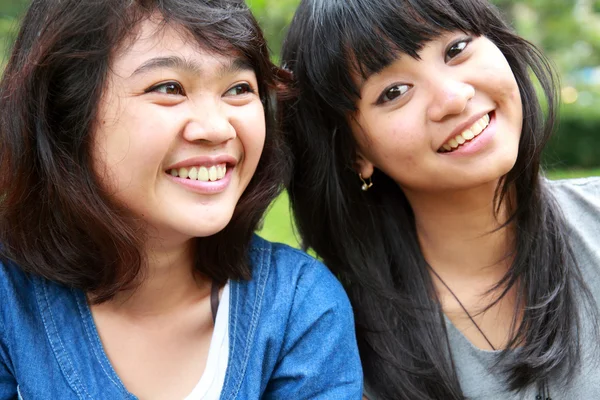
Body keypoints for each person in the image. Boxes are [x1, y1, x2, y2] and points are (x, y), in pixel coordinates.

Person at [0, 0, 363, 399]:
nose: (215, 127)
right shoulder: (10, 302)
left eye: (239, 89)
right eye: (169, 88)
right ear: (66, 113)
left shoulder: (300, 309)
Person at [280, 0, 600, 398]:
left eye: (455, 50)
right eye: (394, 91)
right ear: (354, 153)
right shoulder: (332, 340)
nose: (452, 98)